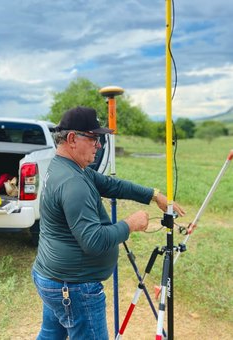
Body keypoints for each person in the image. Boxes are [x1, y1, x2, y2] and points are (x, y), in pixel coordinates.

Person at [32, 106, 185, 340]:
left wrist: (154, 195)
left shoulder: (66, 167)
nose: (99, 145)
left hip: (53, 277)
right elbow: (94, 241)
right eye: (94, 139)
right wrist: (130, 224)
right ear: (72, 138)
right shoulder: (73, 182)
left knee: (50, 336)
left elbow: (112, 185)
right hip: (73, 288)